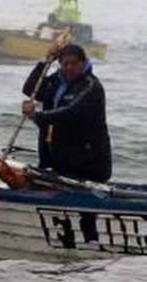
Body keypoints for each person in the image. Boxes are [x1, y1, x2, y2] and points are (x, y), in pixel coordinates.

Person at [21, 43, 112, 183]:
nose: (69, 68)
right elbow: (30, 89)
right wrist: (46, 62)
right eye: (65, 64)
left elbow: (69, 113)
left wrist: (35, 116)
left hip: (86, 164)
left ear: (83, 63)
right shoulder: (55, 81)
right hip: (56, 159)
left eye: (74, 64)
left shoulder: (91, 86)